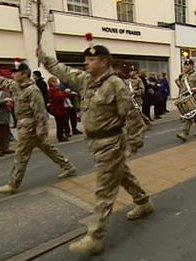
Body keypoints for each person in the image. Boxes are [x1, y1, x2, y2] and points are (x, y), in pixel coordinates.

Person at [37, 44, 153, 254]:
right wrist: (44, 58)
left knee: (104, 189)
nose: (86, 63)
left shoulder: (115, 84)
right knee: (122, 175)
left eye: (91, 60)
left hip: (111, 143)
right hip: (94, 143)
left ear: (103, 62)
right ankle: (143, 201)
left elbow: (132, 115)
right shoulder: (85, 80)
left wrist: (134, 144)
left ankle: (95, 236)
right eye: (86, 60)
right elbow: (62, 71)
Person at [0, 63, 76, 194]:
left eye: (16, 72)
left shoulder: (32, 90)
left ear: (24, 74)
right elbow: (3, 81)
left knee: (21, 155)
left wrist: (42, 131)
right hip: (24, 126)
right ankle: (68, 166)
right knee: (48, 148)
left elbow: (40, 112)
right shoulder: (16, 86)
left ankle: (13, 184)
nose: (13, 74)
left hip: (30, 128)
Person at [176, 59, 196, 142]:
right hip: (184, 99)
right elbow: (181, 87)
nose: (186, 66)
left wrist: (195, 89)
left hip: (193, 99)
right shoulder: (183, 76)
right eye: (185, 65)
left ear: (192, 66)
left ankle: (184, 133)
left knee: (190, 116)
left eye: (188, 65)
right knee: (195, 116)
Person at [48, 77, 71, 142]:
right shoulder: (51, 90)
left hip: (61, 108)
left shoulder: (56, 89)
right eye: (55, 82)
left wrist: (66, 94)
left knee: (63, 123)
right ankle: (60, 136)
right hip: (57, 109)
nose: (57, 83)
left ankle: (63, 134)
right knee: (59, 124)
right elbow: (58, 97)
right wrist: (66, 93)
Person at [0, 83, 14, 156]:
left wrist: (9, 102)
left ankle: (5, 148)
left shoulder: (6, 93)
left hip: (5, 115)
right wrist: (4, 101)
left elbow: (10, 102)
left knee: (6, 132)